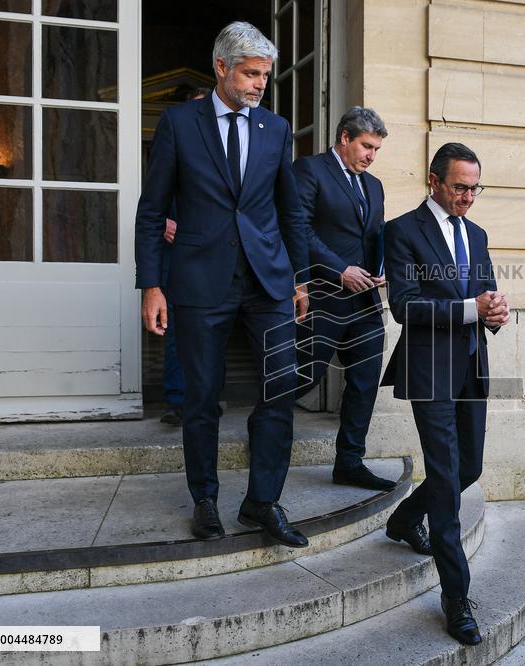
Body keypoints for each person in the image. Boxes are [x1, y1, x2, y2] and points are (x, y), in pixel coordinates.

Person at [135, 22, 310, 548]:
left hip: (268, 282)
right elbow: (151, 211)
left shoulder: (275, 130)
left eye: (264, 75)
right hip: (199, 281)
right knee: (202, 397)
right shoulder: (179, 123)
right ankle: (205, 500)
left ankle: (262, 502)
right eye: (251, 73)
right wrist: (152, 285)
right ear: (221, 68)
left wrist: (300, 280)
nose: (260, 84)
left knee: (281, 388)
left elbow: (291, 211)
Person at [380, 143, 510, 645]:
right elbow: (405, 307)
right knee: (445, 474)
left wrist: (495, 312)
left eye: (475, 188)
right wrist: (472, 309)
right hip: (429, 370)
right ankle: (456, 598)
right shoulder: (401, 231)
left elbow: (487, 293)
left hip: (472, 366)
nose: (468, 197)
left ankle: (405, 518)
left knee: (469, 469)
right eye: (460, 186)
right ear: (433, 181)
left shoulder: (476, 234)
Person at [293, 107, 395, 492]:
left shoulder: (375, 186)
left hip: (366, 302)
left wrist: (385, 267)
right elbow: (299, 230)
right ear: (345, 139)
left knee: (365, 382)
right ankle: (265, 430)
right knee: (302, 376)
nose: (371, 155)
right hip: (322, 298)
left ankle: (349, 462)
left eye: (377, 149)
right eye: (367, 146)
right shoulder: (310, 171)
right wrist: (340, 270)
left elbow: (376, 236)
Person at [159, 86, 211, 427]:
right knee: (177, 330)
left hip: (213, 258)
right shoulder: (174, 149)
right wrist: (163, 220)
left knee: (210, 333)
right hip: (176, 257)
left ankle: (206, 397)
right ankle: (178, 400)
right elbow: (152, 198)